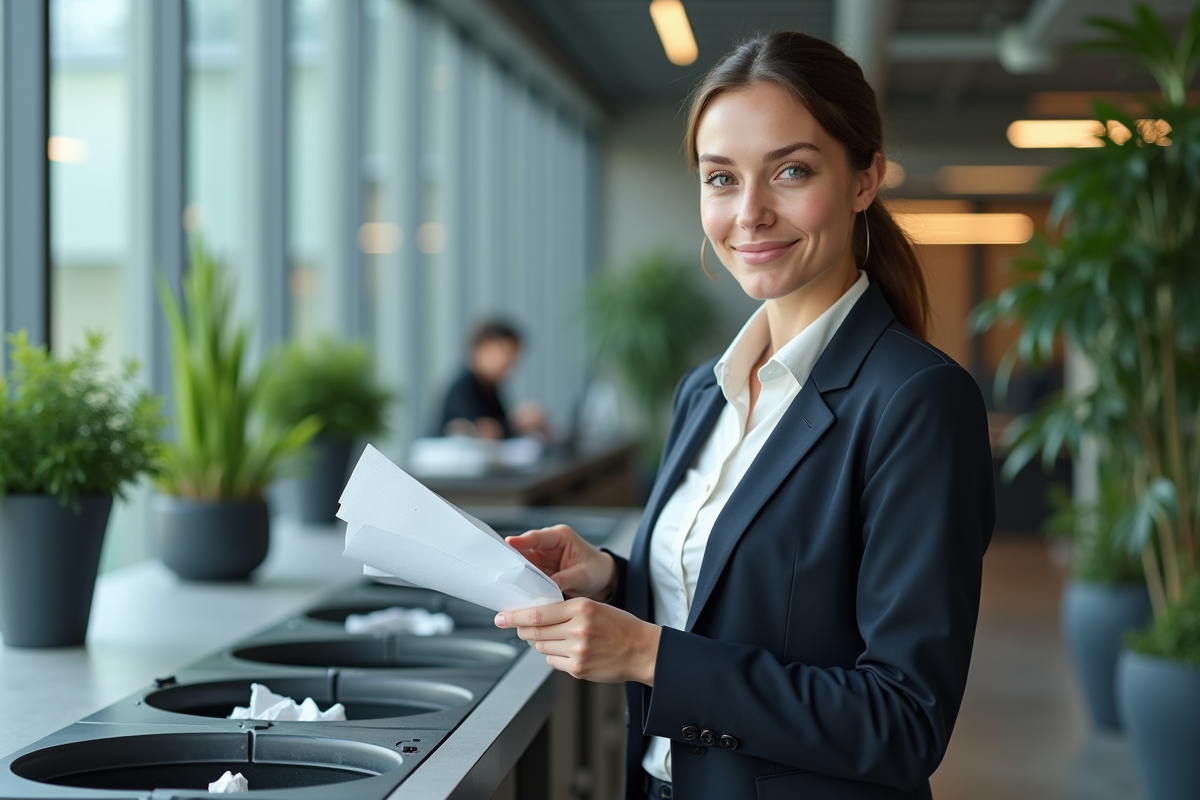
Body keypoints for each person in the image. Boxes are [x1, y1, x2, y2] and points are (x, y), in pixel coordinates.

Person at [495, 31, 996, 800]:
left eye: (791, 171)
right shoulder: (706, 390)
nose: (751, 213)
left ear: (866, 179)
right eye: (721, 179)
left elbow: (904, 721)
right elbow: (750, 604)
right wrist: (615, 582)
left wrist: (649, 655)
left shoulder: (917, 401)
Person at [439, 320, 548, 440]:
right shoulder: (463, 388)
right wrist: (519, 422)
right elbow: (485, 432)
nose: (510, 362)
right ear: (486, 346)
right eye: (507, 353)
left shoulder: (490, 387)